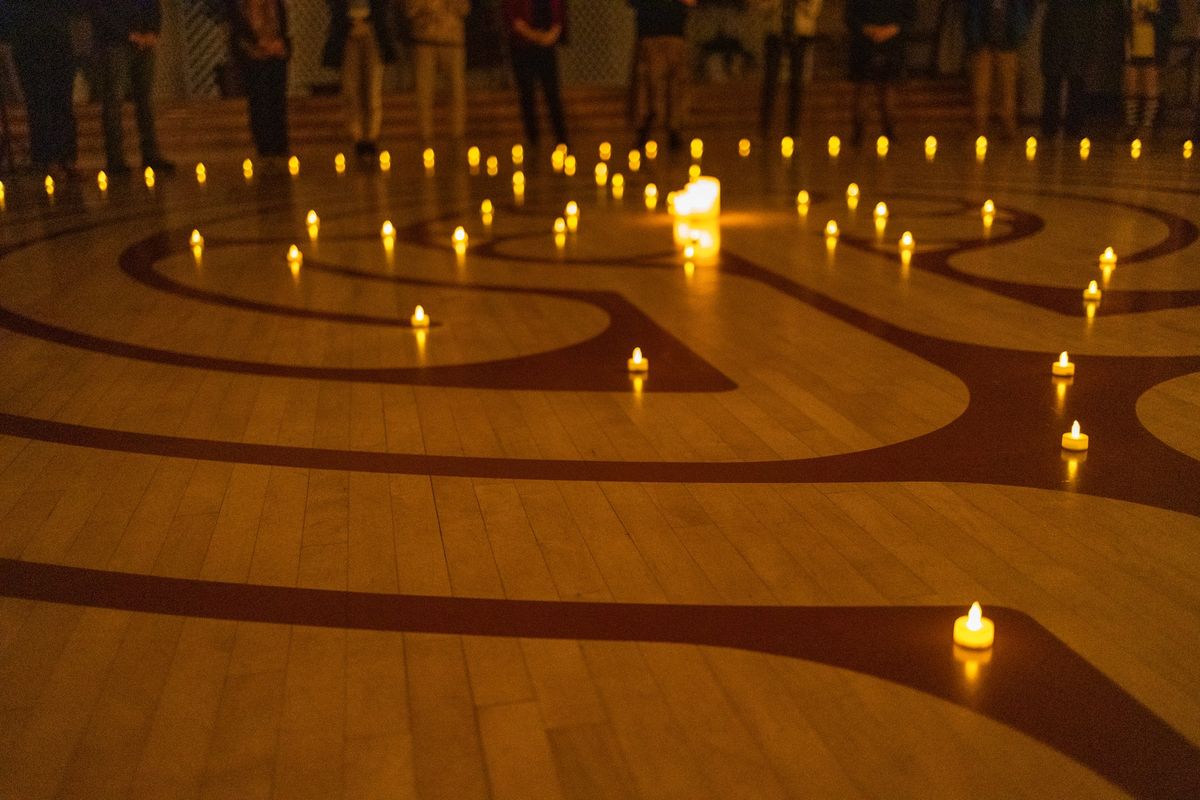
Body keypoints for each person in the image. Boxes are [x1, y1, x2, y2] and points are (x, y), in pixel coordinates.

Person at [87, 0, 175, 176]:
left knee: (144, 101)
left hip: (142, 41)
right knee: (114, 100)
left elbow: (153, 6)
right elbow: (99, 10)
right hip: (114, 44)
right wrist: (127, 35)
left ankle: (150, 154)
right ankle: (116, 159)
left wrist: (152, 32)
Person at [5, 0, 80, 179]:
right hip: (30, 45)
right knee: (40, 103)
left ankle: (68, 158)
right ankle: (47, 160)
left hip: (59, 42)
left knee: (63, 103)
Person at [323, 0, 397, 162]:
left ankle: (371, 137)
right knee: (351, 90)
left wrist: (369, 21)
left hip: (373, 29)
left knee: (372, 89)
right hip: (346, 30)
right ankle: (357, 137)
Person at [844, 0, 916, 144]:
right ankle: (888, 132)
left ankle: (861, 134)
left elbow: (849, 16)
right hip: (877, 43)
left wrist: (870, 29)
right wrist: (891, 29)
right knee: (881, 89)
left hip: (872, 43)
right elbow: (910, 17)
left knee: (870, 89)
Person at [630, 0, 697, 153]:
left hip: (671, 33)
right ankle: (646, 125)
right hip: (651, 33)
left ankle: (673, 128)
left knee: (673, 84)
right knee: (648, 84)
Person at [229, 0, 291, 162]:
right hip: (253, 55)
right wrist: (258, 43)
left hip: (276, 53)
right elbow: (237, 26)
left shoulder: (276, 3)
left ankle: (279, 144)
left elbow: (282, 23)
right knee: (259, 100)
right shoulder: (240, 5)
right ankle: (265, 145)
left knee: (277, 100)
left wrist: (279, 43)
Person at [752, 0, 823, 141]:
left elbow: (814, 9)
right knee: (770, 82)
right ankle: (764, 128)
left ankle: (793, 129)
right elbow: (760, 6)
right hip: (775, 30)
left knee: (797, 82)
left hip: (801, 30)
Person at [503, 0, 569, 150]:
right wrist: (535, 36)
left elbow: (560, 14)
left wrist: (552, 34)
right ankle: (533, 139)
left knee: (552, 93)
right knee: (527, 94)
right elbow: (513, 19)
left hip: (547, 46)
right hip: (522, 47)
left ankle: (562, 138)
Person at [963, 0, 1034, 139]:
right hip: (991, 42)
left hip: (999, 41)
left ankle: (1000, 128)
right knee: (990, 89)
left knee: (998, 89)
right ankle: (990, 127)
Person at [406, 0, 470, 144]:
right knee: (424, 93)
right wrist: (428, 6)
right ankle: (425, 135)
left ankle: (457, 135)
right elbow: (410, 9)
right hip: (424, 40)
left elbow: (464, 8)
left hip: (452, 41)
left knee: (456, 91)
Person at [1040, 0, 1100, 137]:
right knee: (1073, 81)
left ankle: (1051, 127)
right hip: (1078, 27)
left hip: (1060, 26)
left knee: (1057, 81)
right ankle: (1072, 127)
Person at [1122, 0, 1179, 136]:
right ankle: (1131, 124)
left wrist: (1148, 16)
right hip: (1133, 44)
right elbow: (1122, 16)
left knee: (1150, 87)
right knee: (1131, 86)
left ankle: (1147, 125)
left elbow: (1172, 17)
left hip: (1154, 47)